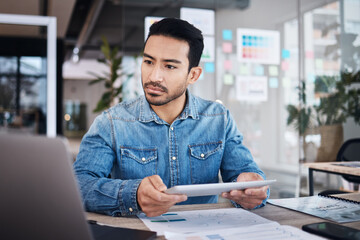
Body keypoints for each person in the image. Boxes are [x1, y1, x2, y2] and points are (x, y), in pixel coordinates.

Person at [73, 18, 269, 218]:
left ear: (193, 75)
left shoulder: (219, 119)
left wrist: (253, 187)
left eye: (169, 66)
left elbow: (246, 174)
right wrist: (133, 195)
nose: (154, 76)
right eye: (148, 62)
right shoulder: (111, 123)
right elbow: (78, 184)